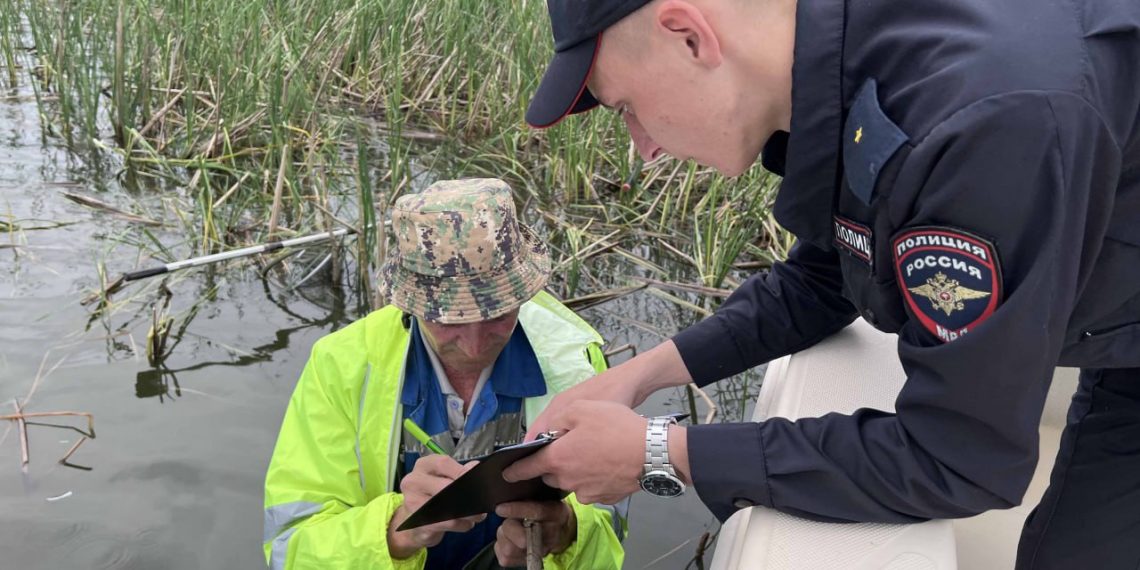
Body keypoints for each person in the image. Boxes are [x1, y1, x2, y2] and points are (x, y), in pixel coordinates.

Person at [505, 0, 1140, 568]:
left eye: (627, 109)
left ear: (689, 35)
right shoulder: (862, 54)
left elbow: (959, 457)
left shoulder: (979, 121)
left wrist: (656, 451)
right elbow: (826, 277)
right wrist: (635, 377)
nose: (642, 148)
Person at [262, 178, 626, 569]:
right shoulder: (342, 365)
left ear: (523, 293)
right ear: (408, 302)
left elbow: (609, 535)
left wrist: (566, 532)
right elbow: (291, 549)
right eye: (448, 319)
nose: (473, 345)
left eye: (496, 314)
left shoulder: (576, 361)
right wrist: (399, 528)